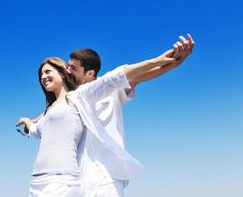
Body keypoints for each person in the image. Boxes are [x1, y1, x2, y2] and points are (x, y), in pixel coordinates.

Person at [17, 36, 194, 197]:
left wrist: (172, 62)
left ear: (90, 73)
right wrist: (32, 121)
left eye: (73, 68)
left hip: (107, 172)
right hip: (80, 173)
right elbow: (53, 113)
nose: (68, 71)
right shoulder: (72, 98)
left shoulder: (107, 90)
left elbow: (135, 75)